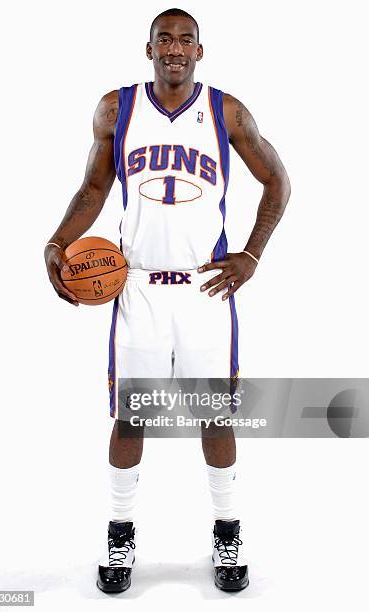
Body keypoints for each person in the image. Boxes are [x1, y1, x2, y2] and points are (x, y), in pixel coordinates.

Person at [44, 7, 291, 593]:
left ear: (200, 52)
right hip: (137, 287)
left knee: (216, 417)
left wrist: (251, 254)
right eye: (164, 39)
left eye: (186, 40)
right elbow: (94, 188)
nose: (174, 48)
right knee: (133, 417)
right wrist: (58, 241)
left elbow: (278, 179)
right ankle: (120, 537)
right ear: (148, 48)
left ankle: (227, 533)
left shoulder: (227, 112)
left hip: (207, 286)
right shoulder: (116, 109)